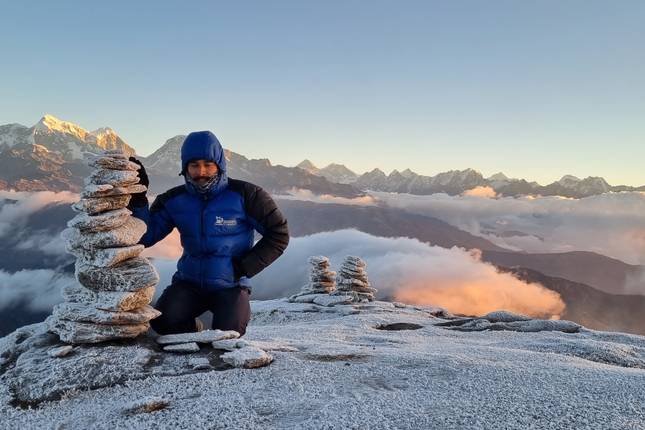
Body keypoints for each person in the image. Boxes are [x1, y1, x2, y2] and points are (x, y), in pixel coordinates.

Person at [127, 130, 289, 336]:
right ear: (185, 168)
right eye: (194, 165)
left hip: (231, 285)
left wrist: (244, 267)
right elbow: (144, 237)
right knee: (163, 322)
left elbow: (279, 233)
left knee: (229, 333)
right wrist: (139, 201)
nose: (201, 171)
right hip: (189, 283)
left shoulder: (247, 195)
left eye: (208, 164)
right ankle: (194, 331)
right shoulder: (173, 200)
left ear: (219, 165)